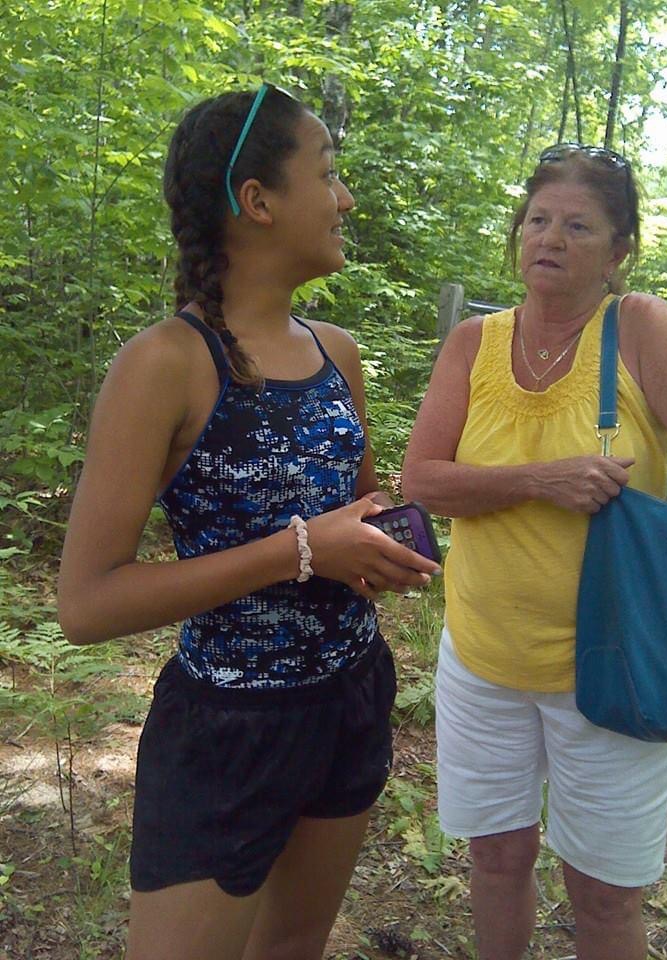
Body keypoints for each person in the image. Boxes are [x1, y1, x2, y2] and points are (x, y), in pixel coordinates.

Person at [58, 83, 440, 960]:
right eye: (328, 174)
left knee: (294, 944)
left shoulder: (336, 352)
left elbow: (355, 515)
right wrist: (301, 550)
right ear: (258, 201)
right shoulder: (164, 364)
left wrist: (379, 546)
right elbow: (86, 605)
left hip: (351, 697)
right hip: (227, 728)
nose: (346, 199)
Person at [402, 143, 667, 960]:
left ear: (619, 253)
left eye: (578, 226)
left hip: (614, 667)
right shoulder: (473, 343)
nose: (550, 238)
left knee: (605, 897)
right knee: (496, 858)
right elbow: (423, 480)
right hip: (483, 658)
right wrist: (541, 479)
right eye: (538, 220)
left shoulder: (639, 329)